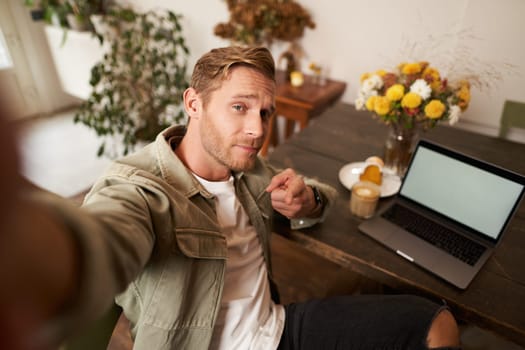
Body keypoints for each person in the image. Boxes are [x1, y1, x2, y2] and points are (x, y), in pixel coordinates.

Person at [0, 46, 461, 350]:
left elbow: (313, 194)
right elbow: (105, 240)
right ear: (194, 104)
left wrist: (307, 203)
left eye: (264, 112)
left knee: (437, 324)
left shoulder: (249, 170)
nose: (258, 130)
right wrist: (31, 245)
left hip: (279, 330)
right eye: (239, 107)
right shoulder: (142, 190)